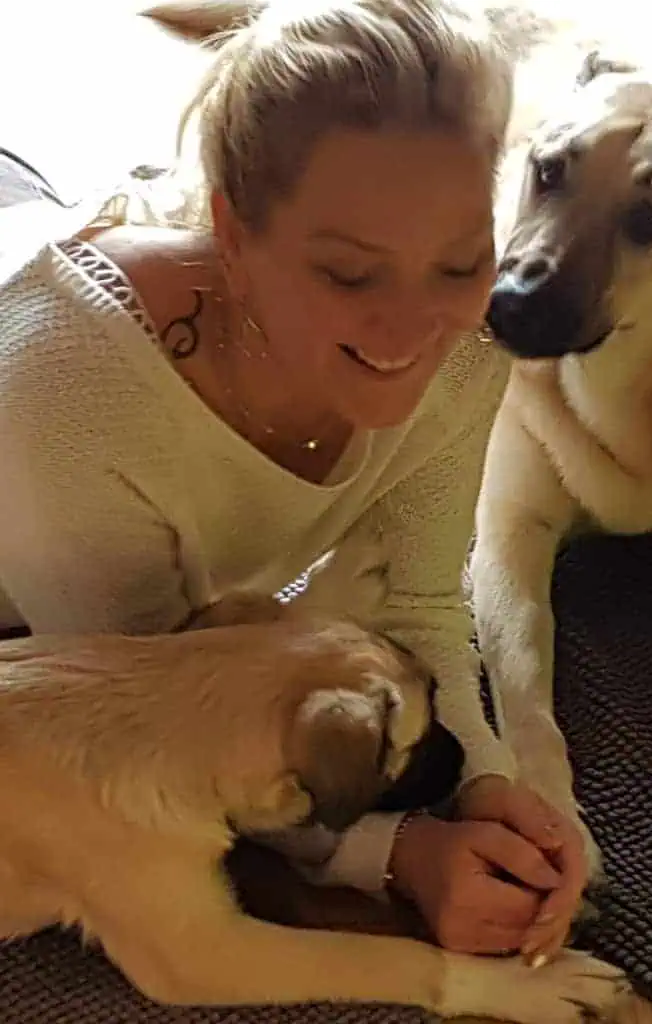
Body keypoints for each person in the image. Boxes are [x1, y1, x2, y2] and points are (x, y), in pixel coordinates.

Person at [0, 0, 587, 961]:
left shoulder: (468, 343)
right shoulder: (65, 398)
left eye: (457, 262)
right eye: (350, 275)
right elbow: (157, 736)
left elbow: (420, 598)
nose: (414, 330)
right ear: (231, 235)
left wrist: (483, 781)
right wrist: (392, 855)